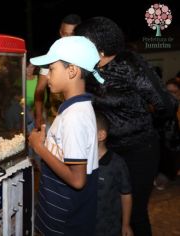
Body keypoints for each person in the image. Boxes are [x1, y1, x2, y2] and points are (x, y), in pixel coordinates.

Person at [74, 16, 178, 235]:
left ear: (98, 47)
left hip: (139, 150)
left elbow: (166, 105)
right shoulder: (87, 70)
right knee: (111, 209)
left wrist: (142, 124)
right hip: (107, 152)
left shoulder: (129, 63)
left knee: (135, 212)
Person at [28, 36, 103, 235]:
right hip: (58, 211)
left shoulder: (74, 116)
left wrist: (39, 148)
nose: (47, 76)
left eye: (51, 69)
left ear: (72, 71)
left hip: (66, 222)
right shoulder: (72, 109)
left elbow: (77, 180)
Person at [34, 14, 81, 129]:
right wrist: (39, 115)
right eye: (65, 34)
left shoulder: (85, 57)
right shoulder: (51, 56)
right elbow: (40, 89)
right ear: (60, 33)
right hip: (56, 117)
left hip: (79, 116)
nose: (68, 39)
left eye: (72, 35)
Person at [95, 111, 133, 236]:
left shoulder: (117, 163)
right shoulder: (81, 160)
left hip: (109, 228)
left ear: (101, 135)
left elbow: (126, 194)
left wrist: (126, 224)